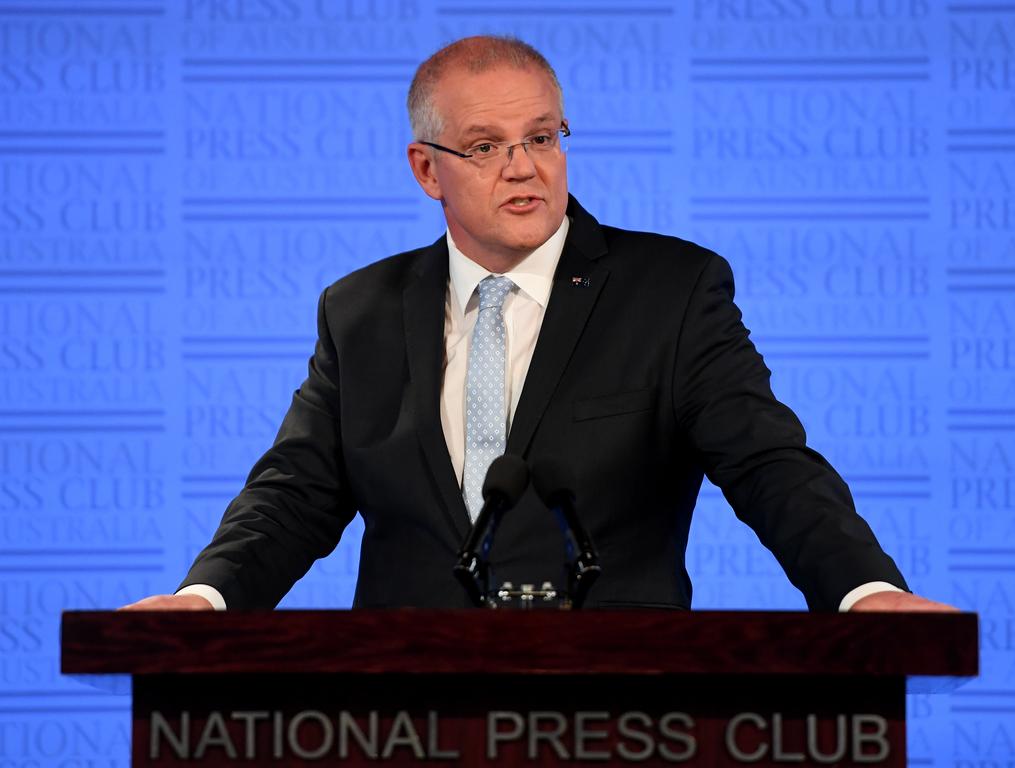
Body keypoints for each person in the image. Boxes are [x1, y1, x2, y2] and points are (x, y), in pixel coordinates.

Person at [123, 36, 954, 614]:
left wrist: (864, 591)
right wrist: (207, 599)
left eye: (543, 136)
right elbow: (296, 491)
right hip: (398, 711)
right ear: (426, 170)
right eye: (485, 146)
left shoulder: (670, 290)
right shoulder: (360, 311)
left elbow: (769, 463)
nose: (524, 166)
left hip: (620, 713)